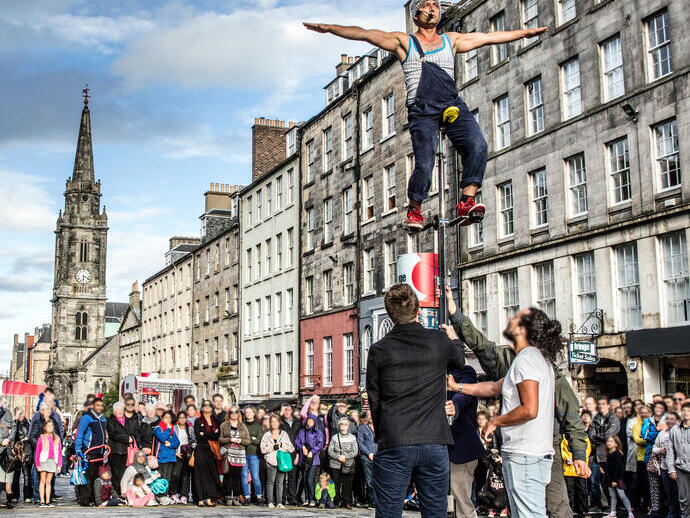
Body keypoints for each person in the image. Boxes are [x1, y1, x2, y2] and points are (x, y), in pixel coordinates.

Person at [304, 1, 547, 232]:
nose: (433, 9)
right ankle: (415, 208)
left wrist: (524, 34)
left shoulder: (451, 40)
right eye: (427, 5)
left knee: (477, 144)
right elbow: (365, 33)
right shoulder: (404, 42)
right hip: (422, 110)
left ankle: (466, 200)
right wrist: (329, 29)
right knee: (425, 162)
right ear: (416, 15)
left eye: (436, 5)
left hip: (450, 103)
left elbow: (488, 38)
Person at [445, 287, 590, 518]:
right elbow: (494, 386)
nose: (510, 318)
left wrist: (496, 421)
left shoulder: (528, 361)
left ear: (524, 330)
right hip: (528, 452)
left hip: (528, 453)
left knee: (545, 510)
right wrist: (457, 387)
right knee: (524, 511)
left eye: (517, 318)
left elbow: (534, 410)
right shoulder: (531, 359)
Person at [366, 284, 465, 518]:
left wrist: (383, 435)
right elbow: (460, 362)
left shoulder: (379, 350)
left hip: (395, 439)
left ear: (389, 315)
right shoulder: (439, 341)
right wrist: (455, 339)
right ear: (418, 310)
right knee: (435, 513)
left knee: (389, 512)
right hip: (434, 438)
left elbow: (374, 398)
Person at [448, 365, 487, 518]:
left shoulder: (465, 372)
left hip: (461, 451)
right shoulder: (431, 369)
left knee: (462, 503)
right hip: (439, 449)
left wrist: (454, 407)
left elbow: (462, 397)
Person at [588, 397, 621, 514]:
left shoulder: (613, 418)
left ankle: (610, 507)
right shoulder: (595, 419)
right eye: (599, 404)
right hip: (596, 455)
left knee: (607, 483)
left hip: (608, 455)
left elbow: (610, 434)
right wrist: (601, 437)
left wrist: (599, 436)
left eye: (603, 404)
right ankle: (598, 505)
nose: (601, 406)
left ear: (608, 405)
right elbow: (591, 436)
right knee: (594, 482)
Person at [74, 396, 107, 506]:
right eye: (97, 405)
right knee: (87, 476)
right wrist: (78, 450)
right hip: (88, 451)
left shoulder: (103, 418)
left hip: (99, 452)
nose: (99, 407)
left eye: (101, 405)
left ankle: (94, 497)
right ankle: (85, 499)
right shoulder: (87, 417)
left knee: (95, 476)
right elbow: (80, 434)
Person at [260, 413, 294, 509]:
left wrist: (282, 444)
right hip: (271, 461)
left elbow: (291, 448)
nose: (274, 423)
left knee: (280, 482)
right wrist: (272, 447)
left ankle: (279, 502)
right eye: (272, 421)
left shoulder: (284, 434)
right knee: (270, 482)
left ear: (279, 423)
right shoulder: (267, 435)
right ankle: (270, 502)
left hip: (282, 462)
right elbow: (262, 449)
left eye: (276, 421)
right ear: (270, 423)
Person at [193, 399, 222, 507]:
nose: (207, 407)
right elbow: (198, 436)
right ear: (202, 408)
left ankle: (209, 498)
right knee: (200, 474)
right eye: (205, 405)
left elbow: (217, 436)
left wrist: (205, 433)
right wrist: (211, 434)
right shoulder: (198, 420)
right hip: (201, 449)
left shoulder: (217, 421)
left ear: (212, 408)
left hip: (212, 450)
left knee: (211, 475)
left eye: (209, 405)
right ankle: (200, 499)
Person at [219, 406, 250, 505]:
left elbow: (248, 441)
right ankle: (228, 497)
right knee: (228, 476)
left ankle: (236, 497)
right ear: (229, 413)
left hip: (239, 454)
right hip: (228, 453)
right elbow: (220, 440)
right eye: (231, 412)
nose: (234, 413)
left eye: (236, 412)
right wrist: (230, 439)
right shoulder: (224, 425)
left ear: (238, 414)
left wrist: (240, 441)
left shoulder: (243, 426)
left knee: (237, 477)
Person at [644, 401, 668, 518]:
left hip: (666, 460)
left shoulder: (668, 419)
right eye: (657, 407)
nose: (658, 409)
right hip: (652, 457)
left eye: (661, 407)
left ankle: (667, 508)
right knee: (653, 486)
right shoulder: (648, 421)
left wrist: (655, 432)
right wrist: (657, 431)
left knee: (667, 486)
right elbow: (644, 435)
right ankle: (655, 509)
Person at [328, 417, 359, 509]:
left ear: (348, 426)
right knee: (336, 484)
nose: (343, 426)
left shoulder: (352, 437)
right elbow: (330, 451)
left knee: (347, 484)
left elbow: (355, 451)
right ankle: (336, 502)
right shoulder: (334, 437)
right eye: (341, 424)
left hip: (348, 464)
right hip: (335, 464)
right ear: (339, 425)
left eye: (345, 424)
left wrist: (345, 457)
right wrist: (338, 457)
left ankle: (347, 502)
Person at [107, 401, 135, 495]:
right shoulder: (111, 421)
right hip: (115, 451)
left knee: (124, 473)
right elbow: (113, 434)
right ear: (114, 411)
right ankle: (117, 493)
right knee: (116, 474)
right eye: (117, 410)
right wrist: (127, 438)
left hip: (126, 451)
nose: (119, 412)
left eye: (121, 410)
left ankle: (124, 492)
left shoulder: (127, 420)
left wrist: (131, 438)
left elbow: (132, 432)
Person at [295, 415, 324, 507]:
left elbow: (320, 444)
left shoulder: (317, 432)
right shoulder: (301, 431)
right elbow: (297, 442)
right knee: (304, 479)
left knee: (309, 480)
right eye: (309, 420)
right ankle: (307, 499)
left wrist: (312, 451)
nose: (310, 422)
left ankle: (313, 499)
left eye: (312, 420)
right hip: (303, 459)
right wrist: (302, 447)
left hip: (313, 459)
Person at [602, 436, 634, 518]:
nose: (609, 443)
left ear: (616, 444)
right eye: (608, 441)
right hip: (610, 479)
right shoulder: (608, 454)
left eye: (612, 441)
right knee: (612, 496)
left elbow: (619, 469)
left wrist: (615, 480)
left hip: (617, 480)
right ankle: (613, 512)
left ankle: (630, 513)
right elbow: (609, 467)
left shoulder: (617, 454)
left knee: (622, 496)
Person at [667, 402, 690, 518]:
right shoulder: (674, 429)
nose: (686, 413)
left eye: (689, 411)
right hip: (681, 467)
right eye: (684, 410)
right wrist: (671, 469)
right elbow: (670, 451)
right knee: (683, 497)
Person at [655, 412, 680, 518]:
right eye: (667, 419)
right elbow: (654, 448)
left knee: (680, 493)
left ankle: (682, 513)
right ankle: (671, 512)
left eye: (672, 419)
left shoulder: (681, 433)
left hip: (679, 468)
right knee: (669, 492)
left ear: (677, 421)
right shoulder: (662, 433)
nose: (669, 421)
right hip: (665, 468)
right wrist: (661, 450)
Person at [153, 410, 180, 499]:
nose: (168, 420)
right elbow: (162, 437)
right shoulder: (158, 428)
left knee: (168, 477)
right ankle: (161, 495)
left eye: (169, 418)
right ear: (162, 418)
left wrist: (170, 444)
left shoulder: (171, 430)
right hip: (162, 457)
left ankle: (166, 495)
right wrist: (168, 429)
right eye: (166, 418)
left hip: (171, 457)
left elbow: (177, 442)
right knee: (162, 477)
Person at [34, 419, 61, 507]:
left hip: (52, 461)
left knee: (49, 482)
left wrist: (59, 465)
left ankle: (48, 500)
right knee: (42, 480)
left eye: (51, 426)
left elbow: (60, 453)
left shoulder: (57, 438)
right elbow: (37, 453)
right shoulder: (42, 438)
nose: (50, 428)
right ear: (45, 427)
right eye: (48, 426)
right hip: (43, 461)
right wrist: (37, 465)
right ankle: (42, 500)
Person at [279, 403, 301, 505]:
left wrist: (298, 453)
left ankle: (292, 498)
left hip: (294, 452)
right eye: (285, 410)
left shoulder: (298, 422)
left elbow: (300, 439)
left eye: (288, 410)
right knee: (282, 476)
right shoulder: (280, 422)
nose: (287, 412)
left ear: (291, 411)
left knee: (293, 477)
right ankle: (282, 498)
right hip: (283, 451)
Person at [241, 405, 263, 506]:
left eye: (250, 412)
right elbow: (241, 439)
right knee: (244, 476)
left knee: (255, 477)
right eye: (247, 412)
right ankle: (247, 497)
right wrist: (251, 438)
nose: (248, 414)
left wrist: (247, 438)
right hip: (243, 454)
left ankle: (259, 496)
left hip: (254, 454)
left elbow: (258, 441)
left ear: (254, 413)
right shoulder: (242, 425)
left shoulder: (258, 426)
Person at [634, 404, 653, 511]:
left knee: (653, 484)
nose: (644, 414)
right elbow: (638, 440)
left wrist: (646, 438)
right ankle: (647, 504)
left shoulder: (653, 424)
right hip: (641, 458)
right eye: (642, 412)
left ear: (650, 413)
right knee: (644, 483)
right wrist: (650, 439)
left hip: (653, 457)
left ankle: (653, 505)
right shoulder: (637, 426)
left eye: (647, 412)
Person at [173, 411, 195, 504]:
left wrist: (192, 454)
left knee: (185, 476)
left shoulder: (189, 428)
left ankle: (184, 495)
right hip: (177, 454)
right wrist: (175, 452)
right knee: (175, 474)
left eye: (184, 417)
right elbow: (170, 441)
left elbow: (194, 441)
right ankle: (174, 493)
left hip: (187, 455)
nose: (182, 419)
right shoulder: (174, 428)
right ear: (177, 419)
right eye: (180, 417)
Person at [11, 407, 32, 504]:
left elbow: (31, 434)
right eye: (19, 414)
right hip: (17, 451)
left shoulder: (28, 423)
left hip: (26, 450)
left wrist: (28, 438)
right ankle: (15, 495)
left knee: (27, 475)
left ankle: (27, 495)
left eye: (22, 413)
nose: (21, 416)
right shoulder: (14, 423)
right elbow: (12, 436)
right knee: (16, 475)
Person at [357, 411, 377, 510]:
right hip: (366, 457)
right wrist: (369, 453)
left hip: (379, 458)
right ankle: (372, 502)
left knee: (378, 481)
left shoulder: (379, 427)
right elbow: (360, 443)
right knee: (369, 481)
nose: (371, 416)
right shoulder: (362, 428)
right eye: (369, 415)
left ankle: (379, 501)